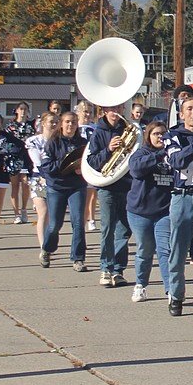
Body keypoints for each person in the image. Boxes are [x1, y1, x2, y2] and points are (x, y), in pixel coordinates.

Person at [164, 97, 193, 317]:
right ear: (181, 115)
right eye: (189, 109)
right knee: (178, 251)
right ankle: (176, 294)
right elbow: (177, 162)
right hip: (182, 197)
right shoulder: (172, 135)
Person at [86, 105, 134, 287]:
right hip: (107, 186)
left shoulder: (129, 129)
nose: (116, 112)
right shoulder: (98, 132)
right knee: (107, 229)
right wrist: (108, 149)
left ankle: (118, 270)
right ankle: (105, 268)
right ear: (105, 111)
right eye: (111, 109)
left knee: (124, 229)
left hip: (127, 185)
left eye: (118, 108)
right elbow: (92, 161)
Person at [127, 122, 174, 305]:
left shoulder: (173, 154)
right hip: (140, 212)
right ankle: (140, 284)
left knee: (165, 250)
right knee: (145, 250)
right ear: (148, 136)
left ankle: (171, 290)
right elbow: (136, 169)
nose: (160, 137)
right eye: (156, 133)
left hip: (164, 211)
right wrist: (161, 154)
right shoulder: (141, 153)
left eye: (163, 133)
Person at [39, 111, 88, 271]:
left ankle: (78, 258)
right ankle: (47, 250)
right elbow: (46, 167)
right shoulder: (53, 142)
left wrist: (83, 169)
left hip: (77, 186)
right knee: (54, 225)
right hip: (57, 187)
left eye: (73, 122)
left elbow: (90, 161)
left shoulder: (83, 142)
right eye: (67, 122)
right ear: (61, 123)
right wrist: (66, 164)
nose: (70, 125)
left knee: (78, 222)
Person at [24, 113, 58, 249]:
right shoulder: (33, 141)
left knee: (54, 216)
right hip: (39, 178)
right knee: (43, 212)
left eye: (57, 122)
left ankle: (50, 241)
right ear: (43, 123)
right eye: (51, 121)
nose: (54, 124)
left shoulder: (60, 141)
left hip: (56, 179)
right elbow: (37, 161)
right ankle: (44, 247)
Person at [5, 102, 35, 225]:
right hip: (14, 157)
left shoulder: (32, 125)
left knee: (25, 184)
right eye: (21, 109)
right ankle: (16, 213)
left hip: (27, 158)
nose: (23, 111)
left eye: (25, 109)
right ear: (17, 110)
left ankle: (23, 209)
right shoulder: (10, 126)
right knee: (15, 186)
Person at [76, 100, 99, 233]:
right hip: (76, 166)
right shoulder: (74, 127)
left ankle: (90, 220)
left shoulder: (95, 128)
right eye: (85, 111)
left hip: (90, 165)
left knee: (90, 195)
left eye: (90, 112)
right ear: (78, 112)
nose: (87, 114)